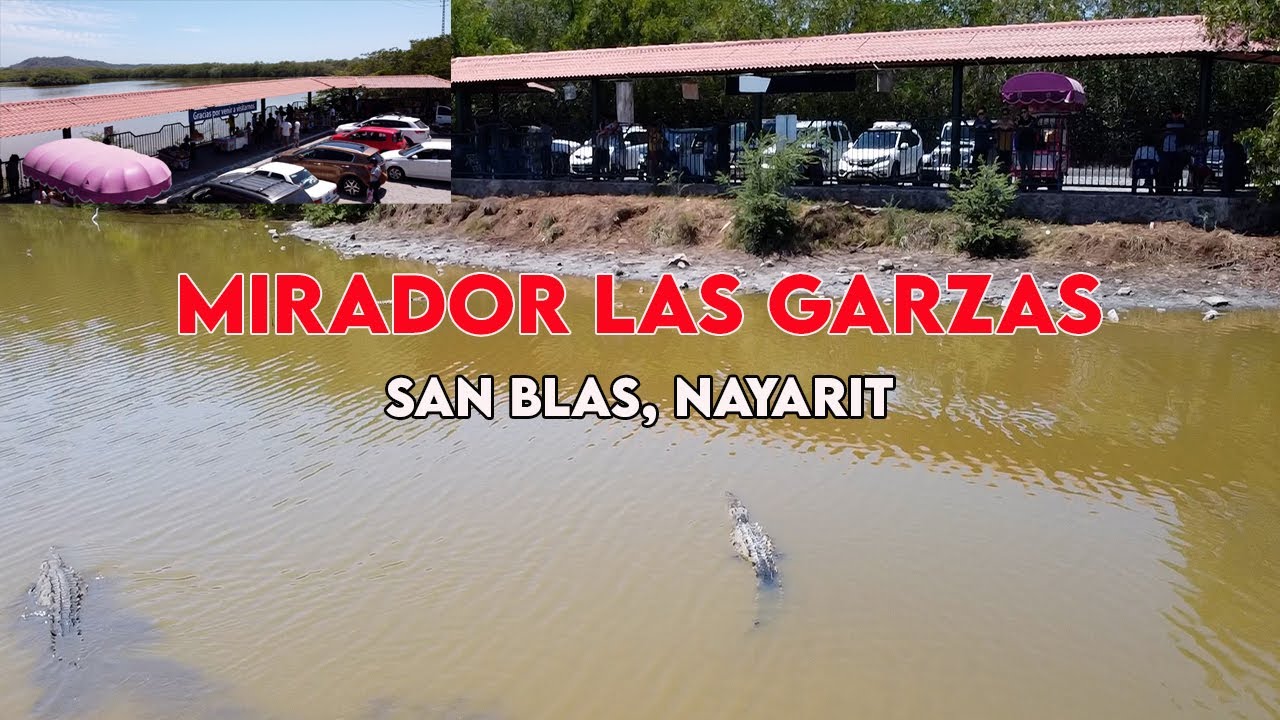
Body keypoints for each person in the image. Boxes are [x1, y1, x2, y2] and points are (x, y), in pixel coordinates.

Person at [1014, 107, 1037, 188]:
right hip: (1020, 146)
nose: (1023, 114)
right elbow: (1018, 130)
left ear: (1027, 112)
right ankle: (1023, 185)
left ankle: (1030, 185)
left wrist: (1024, 128)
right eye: (1022, 112)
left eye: (1024, 112)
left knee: (1030, 166)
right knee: (1022, 167)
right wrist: (1025, 127)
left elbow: (1032, 129)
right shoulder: (1019, 121)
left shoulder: (1033, 120)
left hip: (1029, 146)